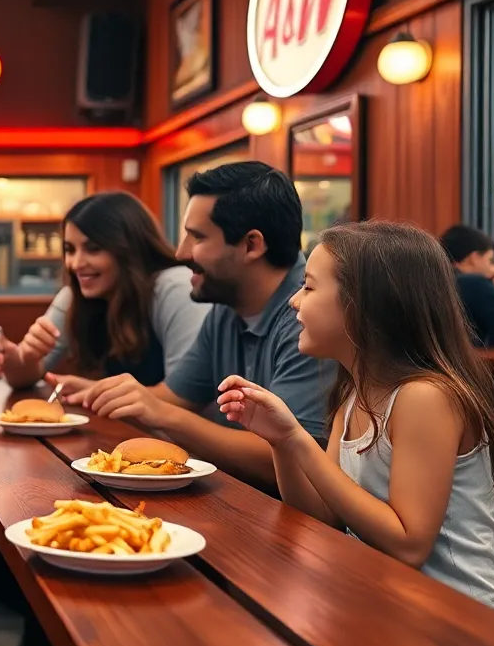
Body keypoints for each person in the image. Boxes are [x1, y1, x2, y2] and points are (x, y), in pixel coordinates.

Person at [218, 222, 494, 616]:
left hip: (464, 622)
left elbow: (409, 545)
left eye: (308, 287)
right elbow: (321, 516)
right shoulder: (354, 395)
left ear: (365, 306)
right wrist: (281, 442)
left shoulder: (425, 398)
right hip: (392, 605)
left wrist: (299, 440)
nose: (293, 302)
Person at [53, 162, 334, 488]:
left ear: (251, 245)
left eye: (196, 237)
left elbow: (299, 462)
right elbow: (174, 396)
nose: (180, 252)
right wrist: (100, 393)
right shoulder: (226, 306)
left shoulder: (312, 315)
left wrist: (161, 414)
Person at [2, 192, 210, 389]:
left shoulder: (175, 286)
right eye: (69, 250)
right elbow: (20, 380)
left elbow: (183, 397)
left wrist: (93, 390)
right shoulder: (74, 296)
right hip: (125, 427)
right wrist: (25, 358)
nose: (76, 264)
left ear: (129, 248)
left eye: (93, 249)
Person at [439, 225, 494, 348]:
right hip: (472, 365)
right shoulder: (473, 283)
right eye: (490, 260)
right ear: (474, 257)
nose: (492, 266)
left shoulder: (440, 280)